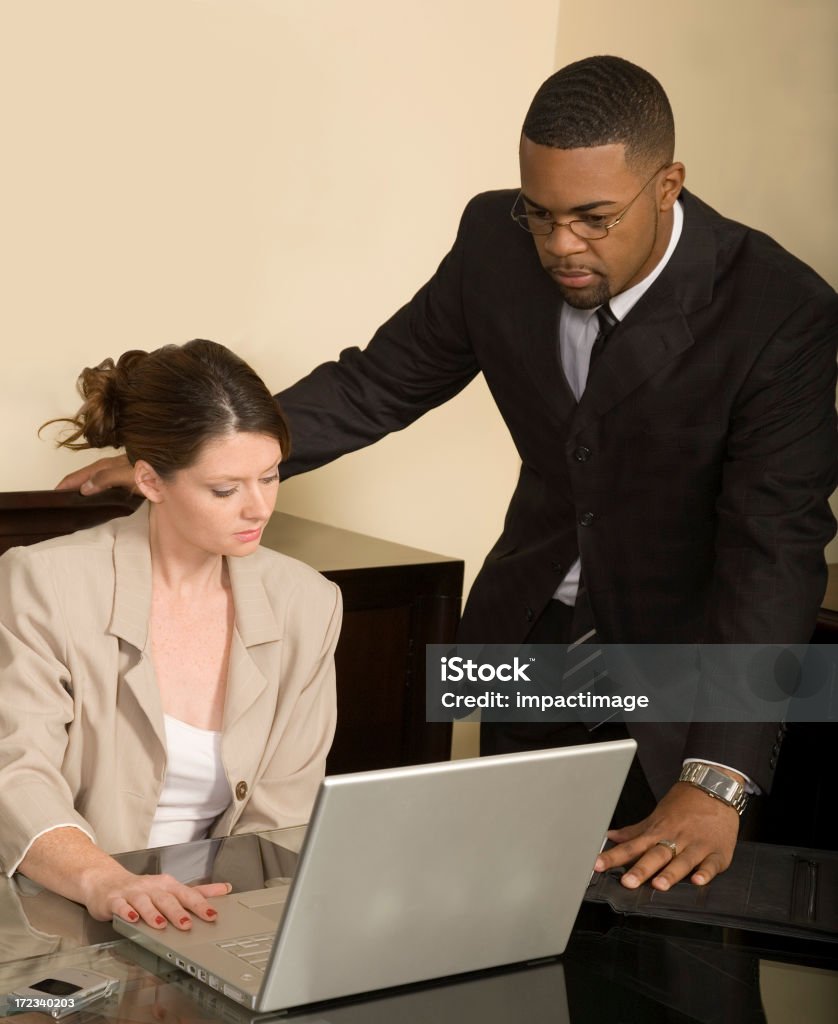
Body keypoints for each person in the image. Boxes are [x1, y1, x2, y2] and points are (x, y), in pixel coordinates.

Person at [57, 57, 838, 890]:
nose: (559, 245)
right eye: (539, 214)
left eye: (592, 218)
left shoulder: (780, 312)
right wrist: (197, 455)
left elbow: (775, 548)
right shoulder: (493, 241)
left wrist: (718, 778)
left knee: (680, 969)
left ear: (667, 185)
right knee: (501, 914)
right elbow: (379, 382)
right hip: (523, 643)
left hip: (694, 675)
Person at [1, 339, 341, 929]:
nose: (258, 508)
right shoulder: (44, 582)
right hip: (55, 910)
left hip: (217, 916)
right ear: (151, 482)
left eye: (270, 477)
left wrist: (223, 931)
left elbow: (283, 816)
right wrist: (105, 880)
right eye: (225, 489)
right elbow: (17, 774)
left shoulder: (307, 602)